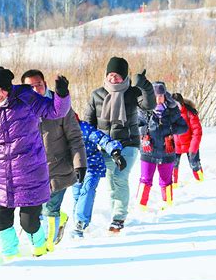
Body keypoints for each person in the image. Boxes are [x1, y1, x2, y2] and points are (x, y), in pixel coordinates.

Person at [0, 66, 71, 259]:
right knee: (0, 221)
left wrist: (61, 94)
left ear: (8, 87)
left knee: (28, 223)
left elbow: (55, 111)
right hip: (2, 177)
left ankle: (40, 250)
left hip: (31, 173)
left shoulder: (26, 99)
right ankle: (11, 257)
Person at [84, 56, 156, 233]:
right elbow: (88, 122)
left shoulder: (132, 93)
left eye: (117, 76)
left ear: (124, 77)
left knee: (119, 177)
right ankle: (115, 213)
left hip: (128, 144)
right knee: (111, 183)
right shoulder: (97, 95)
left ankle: (119, 217)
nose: (113, 78)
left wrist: (144, 85)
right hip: (106, 147)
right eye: (110, 74)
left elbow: (149, 105)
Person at [21, 69, 87, 252]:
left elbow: (75, 137)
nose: (35, 90)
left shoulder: (60, 106)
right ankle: (57, 224)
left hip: (58, 168)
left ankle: (48, 248)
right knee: (37, 211)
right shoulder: (21, 109)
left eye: (39, 85)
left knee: (50, 209)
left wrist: (79, 163)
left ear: (45, 84)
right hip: (32, 171)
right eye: (30, 87)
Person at [72, 113, 126, 238]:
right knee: (77, 195)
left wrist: (115, 152)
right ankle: (78, 226)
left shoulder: (84, 128)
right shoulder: (60, 131)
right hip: (75, 167)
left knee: (87, 189)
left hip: (92, 165)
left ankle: (80, 222)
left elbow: (101, 138)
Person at [136, 82, 188, 210]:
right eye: (155, 95)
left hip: (167, 151)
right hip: (148, 151)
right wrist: (143, 132)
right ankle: (141, 206)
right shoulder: (143, 110)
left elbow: (184, 127)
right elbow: (134, 126)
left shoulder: (172, 111)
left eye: (161, 95)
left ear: (165, 96)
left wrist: (170, 128)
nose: (158, 98)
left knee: (166, 180)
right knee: (145, 179)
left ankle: (168, 204)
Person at [171, 92, 203, 187]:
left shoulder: (190, 113)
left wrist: (193, 148)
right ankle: (174, 185)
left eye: (177, 105)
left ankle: (201, 181)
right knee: (173, 166)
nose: (175, 108)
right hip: (175, 146)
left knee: (194, 164)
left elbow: (197, 132)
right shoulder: (169, 114)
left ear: (181, 104)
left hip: (190, 144)